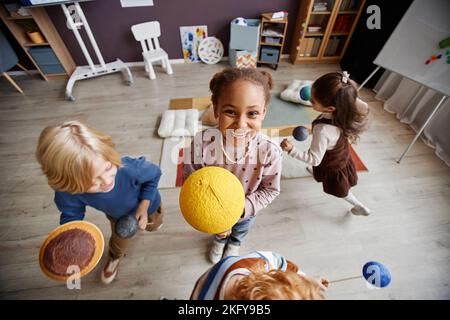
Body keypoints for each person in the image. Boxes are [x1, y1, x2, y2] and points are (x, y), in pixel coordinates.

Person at [36, 120, 163, 284]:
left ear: (109, 154)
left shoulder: (130, 168)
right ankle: (115, 258)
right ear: (71, 186)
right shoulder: (69, 193)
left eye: (108, 168)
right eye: (93, 182)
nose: (106, 181)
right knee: (118, 241)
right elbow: (71, 215)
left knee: (155, 223)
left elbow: (154, 175)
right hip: (117, 217)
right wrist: (70, 244)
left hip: (151, 204)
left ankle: (154, 224)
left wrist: (144, 206)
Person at [184, 68, 282, 263]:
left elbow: (270, 190)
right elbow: (191, 179)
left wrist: (240, 210)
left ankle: (235, 242)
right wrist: (216, 217)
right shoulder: (202, 143)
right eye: (230, 112)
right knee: (219, 232)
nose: (241, 123)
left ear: (263, 113)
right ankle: (220, 240)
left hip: (246, 211)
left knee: (241, 229)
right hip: (212, 210)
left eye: (252, 113)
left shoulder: (270, 152)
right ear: (216, 110)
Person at [281, 71, 371, 216]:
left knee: (342, 191)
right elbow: (362, 104)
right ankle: (318, 174)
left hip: (333, 167)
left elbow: (314, 160)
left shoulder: (323, 131)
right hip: (340, 155)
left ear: (330, 109)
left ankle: (360, 206)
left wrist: (291, 149)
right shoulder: (345, 107)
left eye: (313, 101)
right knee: (320, 163)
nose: (310, 100)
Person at [190, 251, 328, 300]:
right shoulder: (264, 262)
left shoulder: (260, 262)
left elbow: (280, 263)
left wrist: (304, 280)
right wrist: (305, 280)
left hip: (214, 277)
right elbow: (282, 262)